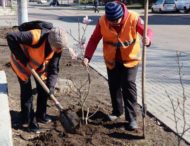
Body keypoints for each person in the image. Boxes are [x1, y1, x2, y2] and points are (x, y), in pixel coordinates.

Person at [82, 1, 153, 130]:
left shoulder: (133, 18)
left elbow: (147, 30)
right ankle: (117, 111)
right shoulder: (103, 21)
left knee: (128, 85)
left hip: (130, 59)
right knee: (114, 85)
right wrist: (87, 56)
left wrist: (147, 39)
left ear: (122, 15)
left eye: (116, 20)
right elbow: (94, 39)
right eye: (111, 21)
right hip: (112, 59)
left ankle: (131, 119)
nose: (114, 23)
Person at [6, 23, 68, 133]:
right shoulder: (35, 36)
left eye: (60, 48)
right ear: (51, 42)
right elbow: (10, 37)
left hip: (38, 63)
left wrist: (51, 87)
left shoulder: (58, 47)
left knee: (44, 89)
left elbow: (53, 68)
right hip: (21, 62)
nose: (59, 50)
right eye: (57, 48)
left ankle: (41, 115)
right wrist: (22, 58)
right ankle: (29, 121)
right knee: (27, 92)